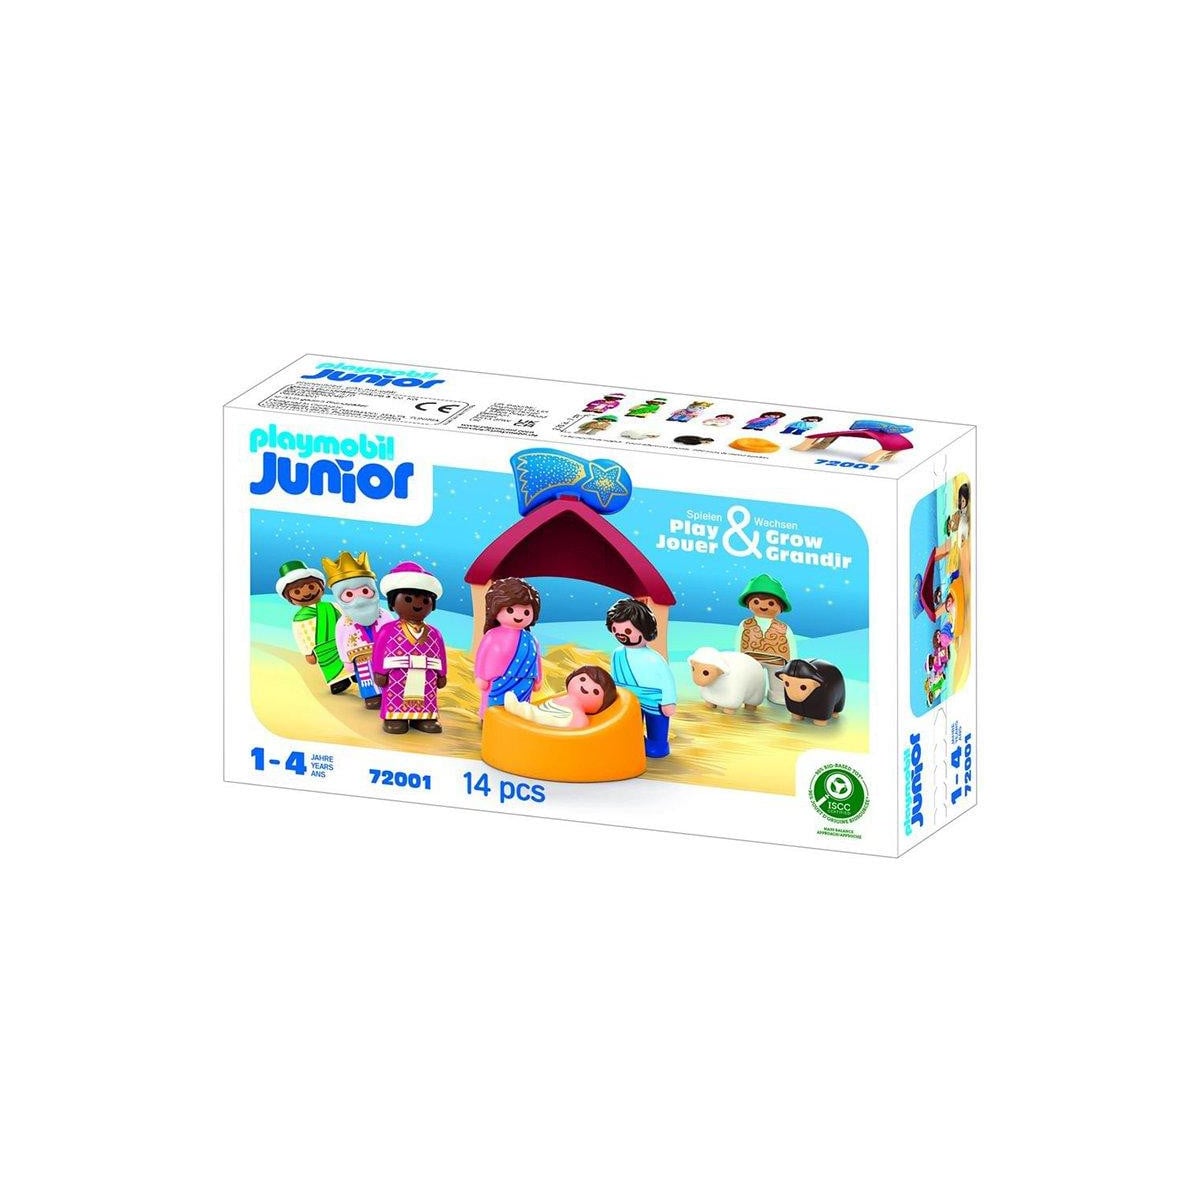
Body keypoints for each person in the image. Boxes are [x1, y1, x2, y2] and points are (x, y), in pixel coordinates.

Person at [371, 561, 448, 734]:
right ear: (392, 602)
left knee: (426, 696)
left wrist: (442, 674)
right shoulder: (388, 630)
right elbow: (379, 651)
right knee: (396, 695)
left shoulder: (434, 633)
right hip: (397, 674)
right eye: (408, 599)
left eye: (425, 600)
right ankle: (394, 717)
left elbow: (441, 654)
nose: (418, 604)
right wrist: (379, 672)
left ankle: (424, 717)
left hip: (427, 675)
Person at [606, 598, 676, 758]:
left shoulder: (654, 658)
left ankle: (658, 745)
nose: (621, 635)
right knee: (631, 726)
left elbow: (667, 680)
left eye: (628, 630)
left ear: (645, 629)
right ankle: (635, 742)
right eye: (616, 629)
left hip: (654, 701)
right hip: (628, 699)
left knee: (657, 728)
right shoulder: (618, 654)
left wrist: (669, 701)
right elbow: (615, 676)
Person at [325, 550, 393, 708]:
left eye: (365, 591)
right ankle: (372, 697)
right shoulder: (343, 622)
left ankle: (390, 693)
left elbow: (394, 632)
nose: (359, 600)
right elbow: (340, 641)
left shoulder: (384, 615)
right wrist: (346, 661)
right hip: (361, 658)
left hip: (385, 656)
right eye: (349, 594)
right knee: (366, 677)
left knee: (389, 675)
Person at [275, 559, 350, 694]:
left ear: (321, 586)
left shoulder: (332, 606)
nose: (306, 593)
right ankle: (338, 682)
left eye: (310, 587)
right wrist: (307, 653)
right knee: (331, 668)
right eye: (297, 592)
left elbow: (346, 619)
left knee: (353, 662)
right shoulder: (299, 618)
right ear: (289, 598)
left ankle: (357, 675)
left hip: (344, 642)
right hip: (322, 650)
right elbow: (300, 636)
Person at [474, 578, 543, 718]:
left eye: (526, 612)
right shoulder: (492, 635)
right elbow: (482, 656)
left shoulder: (531, 639)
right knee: (495, 707)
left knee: (520, 709)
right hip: (497, 681)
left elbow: (537, 660)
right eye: (510, 610)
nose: (519, 616)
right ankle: (489, 719)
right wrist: (481, 676)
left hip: (525, 682)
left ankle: (517, 723)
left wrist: (538, 679)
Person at [503, 665, 617, 729]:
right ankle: (523, 709)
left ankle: (520, 709)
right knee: (540, 714)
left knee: (542, 717)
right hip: (545, 714)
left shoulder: (579, 715)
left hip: (560, 720)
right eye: (582, 679)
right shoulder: (563, 697)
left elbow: (580, 725)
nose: (586, 688)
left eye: (595, 691)